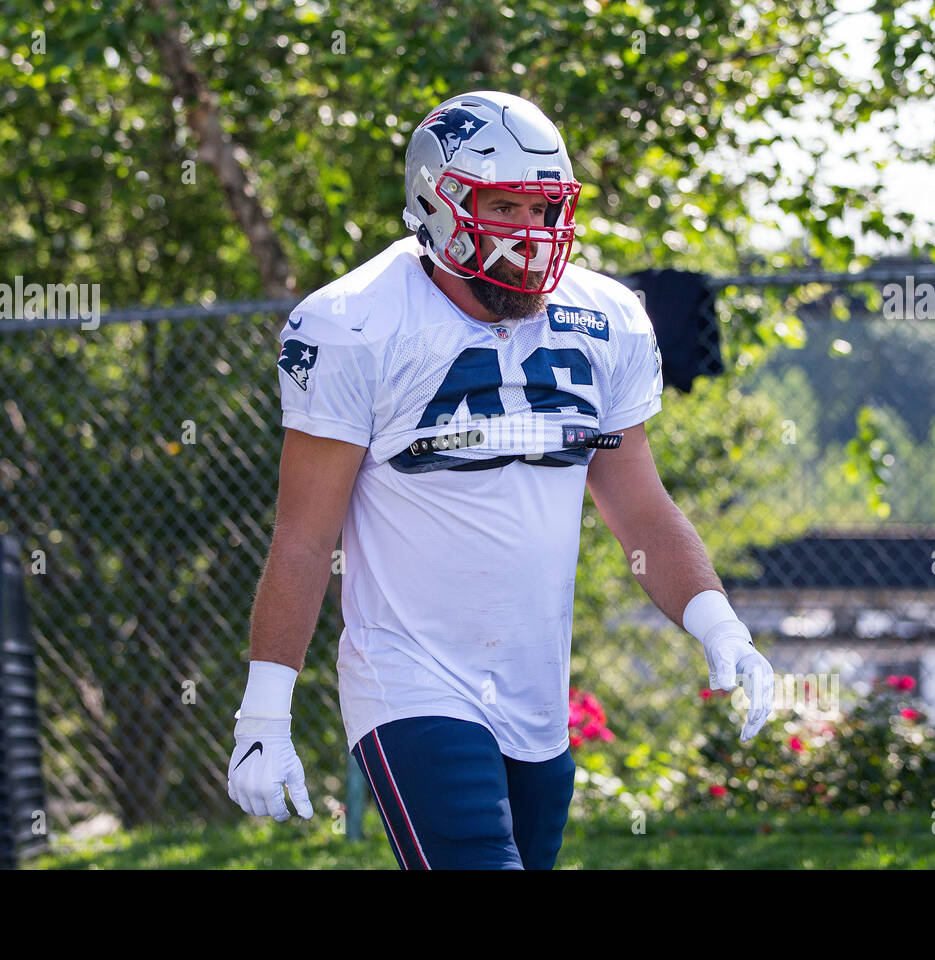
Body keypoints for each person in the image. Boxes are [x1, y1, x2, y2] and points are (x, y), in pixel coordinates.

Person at [227, 90, 774, 869]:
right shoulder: (353, 323)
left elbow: (643, 511)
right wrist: (264, 712)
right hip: (410, 682)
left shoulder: (607, 319)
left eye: (541, 207)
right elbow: (306, 535)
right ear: (435, 201)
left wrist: (721, 627)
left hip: (535, 692)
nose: (528, 233)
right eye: (503, 205)